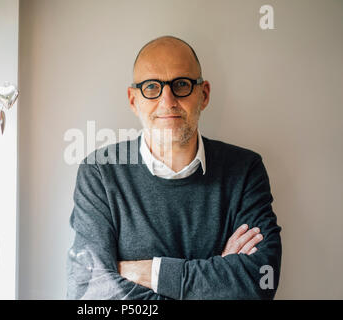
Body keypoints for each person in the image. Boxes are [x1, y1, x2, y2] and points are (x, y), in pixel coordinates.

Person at [66, 36, 282, 300]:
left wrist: (152, 273)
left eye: (181, 84)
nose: (167, 101)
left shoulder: (245, 170)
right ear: (133, 101)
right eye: (151, 87)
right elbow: (88, 293)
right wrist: (217, 276)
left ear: (204, 95)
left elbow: (262, 280)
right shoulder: (100, 172)